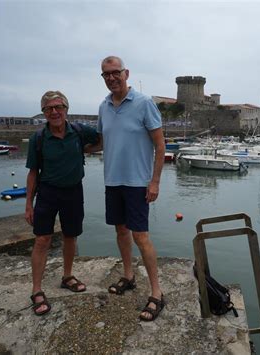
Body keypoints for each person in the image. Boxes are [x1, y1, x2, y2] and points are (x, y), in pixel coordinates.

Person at [86, 56, 166, 321]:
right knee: (121, 231)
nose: (111, 78)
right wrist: (75, 148)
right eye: (105, 74)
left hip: (137, 182)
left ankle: (157, 293)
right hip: (113, 180)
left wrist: (154, 181)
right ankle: (128, 276)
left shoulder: (144, 103)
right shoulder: (103, 106)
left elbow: (160, 145)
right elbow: (100, 142)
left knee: (140, 236)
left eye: (115, 73)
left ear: (126, 73)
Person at [25, 90, 99, 316]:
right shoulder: (38, 139)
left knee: (70, 236)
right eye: (49, 109)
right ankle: (37, 290)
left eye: (58, 107)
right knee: (42, 239)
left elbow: (102, 139)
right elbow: (32, 173)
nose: (54, 112)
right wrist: (29, 204)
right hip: (47, 192)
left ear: (66, 109)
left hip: (74, 191)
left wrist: (87, 150)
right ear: (44, 113)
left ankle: (67, 276)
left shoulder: (79, 131)